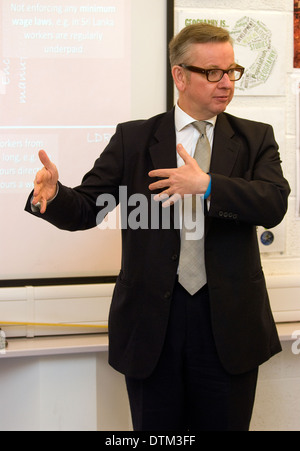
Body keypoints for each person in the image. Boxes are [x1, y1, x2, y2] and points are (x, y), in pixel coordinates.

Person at [25, 23, 290, 431]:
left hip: (229, 326)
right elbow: (89, 209)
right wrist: (55, 195)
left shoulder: (255, 139)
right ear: (180, 76)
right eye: (212, 72)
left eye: (231, 70)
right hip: (152, 325)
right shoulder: (134, 139)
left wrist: (208, 186)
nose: (226, 83)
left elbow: (273, 203)